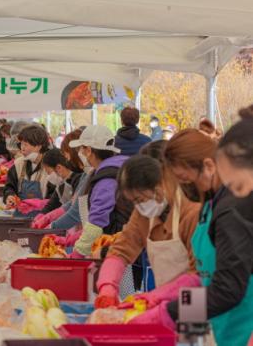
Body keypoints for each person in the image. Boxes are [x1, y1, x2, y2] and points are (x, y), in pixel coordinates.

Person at [139, 118, 253, 344]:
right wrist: (187, 329)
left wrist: (168, 314)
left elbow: (228, 290)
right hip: (218, 325)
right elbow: (205, 278)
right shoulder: (210, 205)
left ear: (209, 166)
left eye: (185, 179)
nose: (185, 187)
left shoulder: (231, 211)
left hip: (241, 327)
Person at [94, 155, 201, 309]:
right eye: (134, 202)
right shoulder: (143, 214)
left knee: (190, 325)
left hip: (195, 300)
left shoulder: (191, 213)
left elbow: (198, 274)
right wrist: (107, 285)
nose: (138, 206)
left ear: (159, 187)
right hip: (163, 301)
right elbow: (121, 250)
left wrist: (157, 296)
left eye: (140, 199)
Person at [69, 125, 130, 258]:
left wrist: (77, 254)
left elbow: (96, 223)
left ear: (89, 150)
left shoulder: (106, 180)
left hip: (120, 250)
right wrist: (70, 239)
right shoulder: (115, 168)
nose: (80, 153)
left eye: (82, 148)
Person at [3, 125, 52, 217]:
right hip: (20, 216)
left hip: (42, 218)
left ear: (38, 146)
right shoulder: (19, 163)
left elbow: (55, 198)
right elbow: (9, 186)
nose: (22, 148)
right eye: (21, 144)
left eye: (26, 144)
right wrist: (10, 196)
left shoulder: (50, 167)